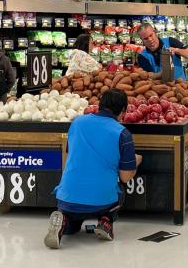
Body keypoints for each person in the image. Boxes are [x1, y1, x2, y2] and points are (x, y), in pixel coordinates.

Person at [45, 89, 142, 249]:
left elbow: (66, 159)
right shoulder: (122, 133)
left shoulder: (77, 123)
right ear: (123, 111)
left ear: (99, 105)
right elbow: (125, 177)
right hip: (102, 200)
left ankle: (63, 222)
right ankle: (106, 221)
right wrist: (136, 162)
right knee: (119, 189)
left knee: (72, 227)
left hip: (67, 198)